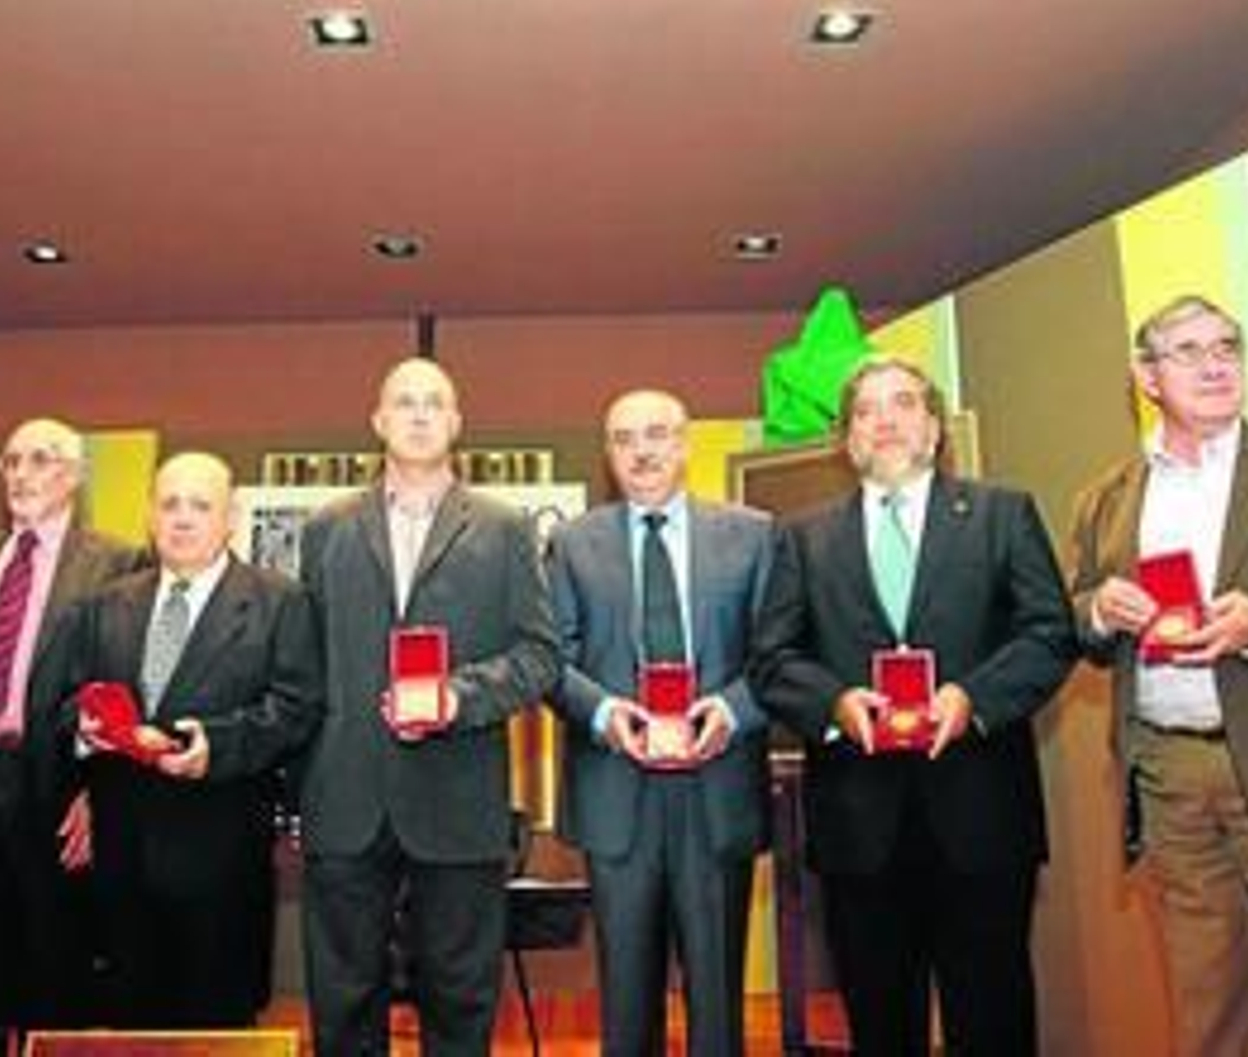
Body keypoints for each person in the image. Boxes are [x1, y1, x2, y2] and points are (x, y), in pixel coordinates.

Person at [751, 356, 1076, 1057]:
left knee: (992, 1019)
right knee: (879, 1024)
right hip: (858, 826)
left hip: (982, 814)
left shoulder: (1002, 513)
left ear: (934, 426)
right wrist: (834, 703)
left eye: (903, 404)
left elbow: (1051, 635)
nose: (886, 422)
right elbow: (772, 659)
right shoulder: (801, 538)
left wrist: (973, 697)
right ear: (847, 438)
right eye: (866, 411)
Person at [1068, 294, 1248, 1056]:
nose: (1216, 362)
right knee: (1210, 1010)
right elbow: (1074, 620)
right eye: (1188, 351)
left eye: (1227, 346)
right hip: (1169, 774)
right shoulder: (1106, 500)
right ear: (1147, 376)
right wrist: (1099, 609)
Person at [298, 357, 559, 1055]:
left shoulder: (505, 529)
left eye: (434, 403)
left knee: (461, 999)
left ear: (456, 424)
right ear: (377, 422)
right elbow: (305, 666)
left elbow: (540, 656)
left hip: (459, 797)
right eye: (403, 402)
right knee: (343, 1001)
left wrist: (459, 696)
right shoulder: (325, 529)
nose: (418, 414)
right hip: (345, 798)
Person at [545, 389, 773, 1056]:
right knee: (625, 1004)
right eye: (623, 438)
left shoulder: (754, 535)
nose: (641, 451)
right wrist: (608, 714)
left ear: (685, 442)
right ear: (608, 453)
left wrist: (731, 709)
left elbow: (781, 655)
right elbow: (549, 660)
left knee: (718, 1005)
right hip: (617, 794)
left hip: (719, 792)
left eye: (656, 434)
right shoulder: (571, 544)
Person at [69, 451, 321, 1028]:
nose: (182, 519)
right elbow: (66, 698)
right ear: (151, 517)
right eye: (169, 504)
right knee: (129, 1022)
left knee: (216, 1025)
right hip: (123, 859)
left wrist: (220, 746)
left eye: (199, 505)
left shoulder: (280, 602)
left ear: (229, 516)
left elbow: (298, 709)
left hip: (222, 858)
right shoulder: (108, 604)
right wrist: (84, 730)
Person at [0, 418, 146, 1056]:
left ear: (76, 476)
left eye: (42, 460)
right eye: (12, 461)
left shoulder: (117, 562)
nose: (23, 474)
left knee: (52, 954)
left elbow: (124, 688)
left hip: (53, 779)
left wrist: (96, 791)